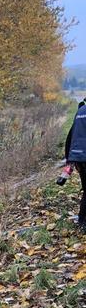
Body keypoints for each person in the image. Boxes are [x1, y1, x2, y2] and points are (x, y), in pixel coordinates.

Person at [63, 98, 86, 231]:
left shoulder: (80, 111)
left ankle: (82, 221)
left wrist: (70, 160)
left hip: (78, 157)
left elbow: (70, 136)